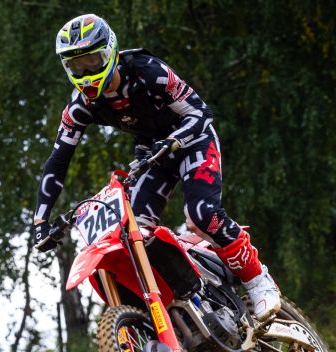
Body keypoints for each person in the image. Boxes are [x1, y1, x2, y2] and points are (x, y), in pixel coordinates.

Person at [33, 14, 281, 321]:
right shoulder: (79, 107)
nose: (85, 73)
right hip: (153, 156)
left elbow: (201, 113)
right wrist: (41, 221)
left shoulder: (148, 71)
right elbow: (58, 160)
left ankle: (257, 280)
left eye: (91, 61)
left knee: (201, 214)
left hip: (194, 140)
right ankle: (181, 304)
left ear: (109, 52)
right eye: (76, 66)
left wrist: (173, 140)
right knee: (133, 234)